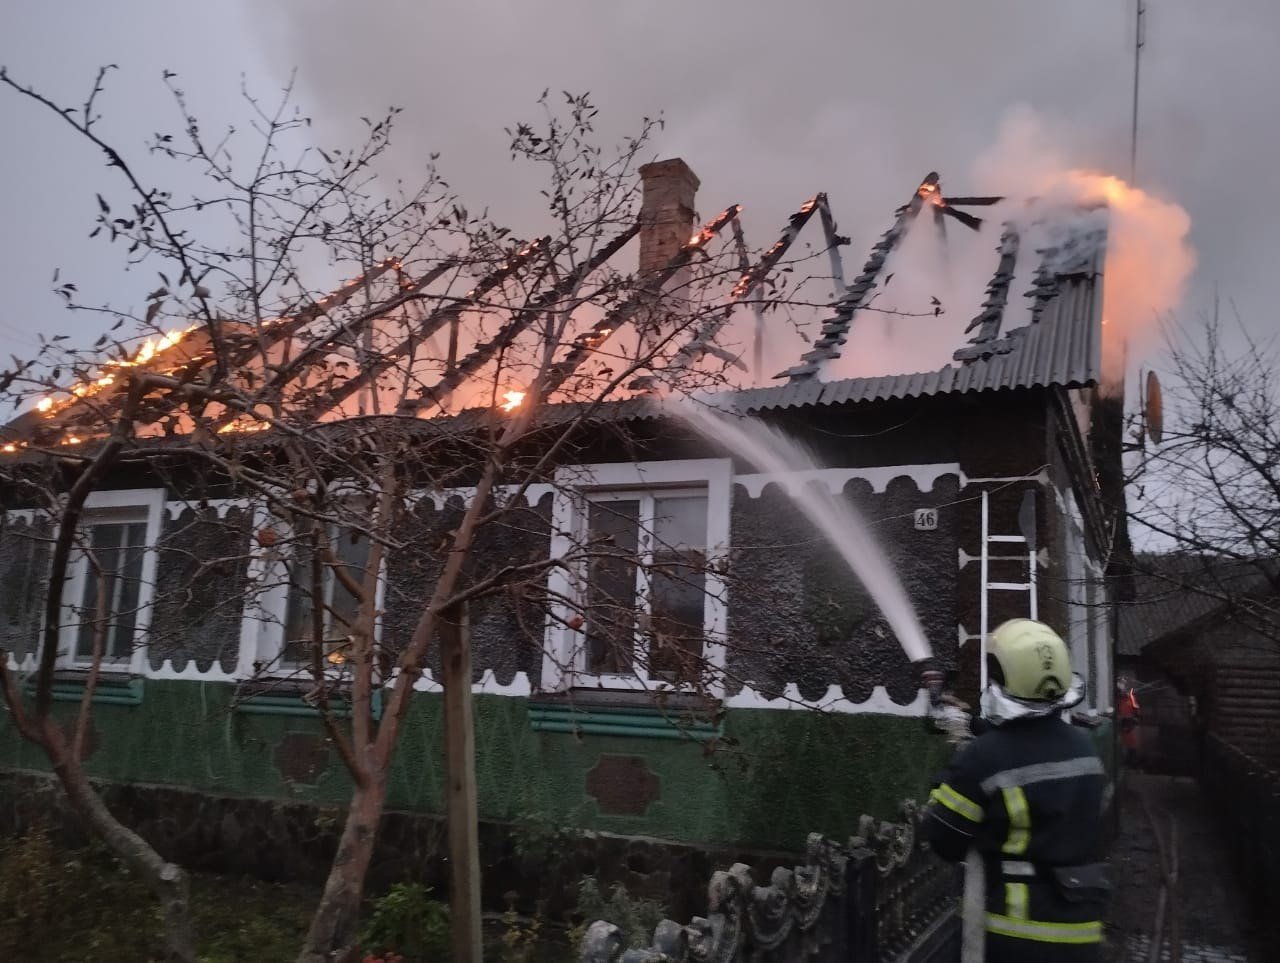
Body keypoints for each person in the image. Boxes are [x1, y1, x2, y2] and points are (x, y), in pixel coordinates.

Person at [923, 618, 1110, 962]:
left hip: (1015, 935)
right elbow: (1030, 748)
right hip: (1082, 931)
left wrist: (954, 770)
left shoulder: (984, 758)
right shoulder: (1085, 749)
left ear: (1004, 680)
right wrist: (975, 726)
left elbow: (944, 838)